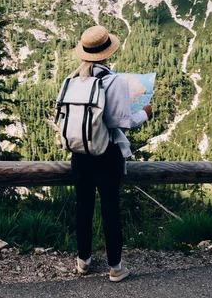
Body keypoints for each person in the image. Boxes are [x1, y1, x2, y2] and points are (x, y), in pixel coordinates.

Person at [69, 25, 152, 282]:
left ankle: (84, 261)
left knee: (83, 207)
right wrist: (145, 113)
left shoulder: (73, 79)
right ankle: (115, 267)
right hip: (106, 154)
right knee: (110, 209)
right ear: (107, 53)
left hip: (79, 152)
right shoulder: (115, 81)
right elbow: (121, 121)